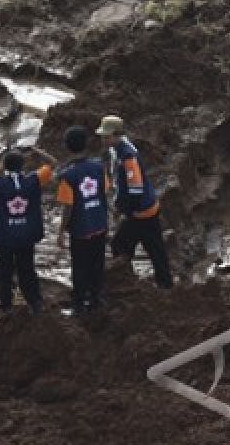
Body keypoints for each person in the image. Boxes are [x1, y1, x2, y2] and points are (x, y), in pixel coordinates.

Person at [97, 115, 173, 288]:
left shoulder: (128, 156)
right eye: (103, 136)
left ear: (117, 135)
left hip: (142, 211)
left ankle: (158, 284)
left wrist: (127, 211)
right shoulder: (116, 150)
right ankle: (146, 281)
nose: (103, 140)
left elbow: (136, 188)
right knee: (144, 247)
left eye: (107, 136)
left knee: (132, 246)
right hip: (139, 210)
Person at [0, 145, 56, 314]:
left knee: (5, 271)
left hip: (5, 236)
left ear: (5, 167)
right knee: (27, 269)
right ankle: (34, 301)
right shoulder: (33, 180)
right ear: (23, 166)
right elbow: (53, 162)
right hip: (26, 236)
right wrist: (36, 150)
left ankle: (5, 304)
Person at [55, 125, 110, 314]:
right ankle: (95, 299)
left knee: (80, 266)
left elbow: (68, 206)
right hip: (99, 224)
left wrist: (61, 231)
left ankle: (79, 304)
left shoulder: (68, 176)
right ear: (86, 144)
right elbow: (105, 192)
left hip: (81, 229)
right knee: (97, 263)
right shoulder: (99, 167)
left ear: (67, 147)